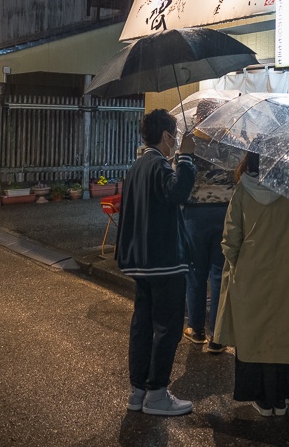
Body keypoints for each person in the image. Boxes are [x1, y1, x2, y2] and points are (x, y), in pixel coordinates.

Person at [115, 108, 197, 416]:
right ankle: (158, 394)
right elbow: (179, 194)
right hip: (164, 260)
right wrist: (187, 158)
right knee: (168, 327)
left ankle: (138, 391)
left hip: (140, 261)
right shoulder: (161, 165)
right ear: (166, 136)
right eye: (174, 136)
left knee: (142, 325)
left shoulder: (137, 165)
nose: (176, 142)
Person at [214, 150, 289, 417]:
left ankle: (262, 400)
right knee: (286, 337)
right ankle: (281, 399)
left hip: (251, 275)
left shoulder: (243, 191)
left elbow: (230, 239)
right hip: (288, 274)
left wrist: (237, 265)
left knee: (254, 337)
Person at [182, 98, 235, 353]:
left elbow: (178, 174)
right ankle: (218, 337)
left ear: (198, 116)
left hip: (195, 214)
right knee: (219, 274)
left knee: (195, 272)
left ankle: (196, 328)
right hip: (225, 211)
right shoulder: (231, 139)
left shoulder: (189, 140)